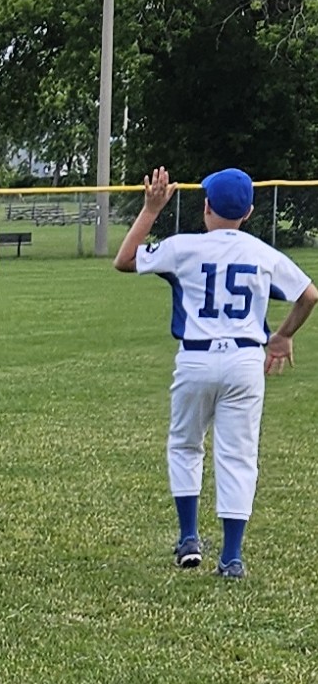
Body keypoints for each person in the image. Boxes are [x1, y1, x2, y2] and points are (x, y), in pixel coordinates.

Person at [113, 167, 315, 578]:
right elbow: (309, 294)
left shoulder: (184, 247)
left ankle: (189, 538)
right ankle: (232, 557)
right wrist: (281, 336)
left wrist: (151, 209)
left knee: (185, 445)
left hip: (196, 358)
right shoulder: (262, 253)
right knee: (238, 455)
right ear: (249, 212)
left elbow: (125, 260)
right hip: (245, 361)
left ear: (205, 206)